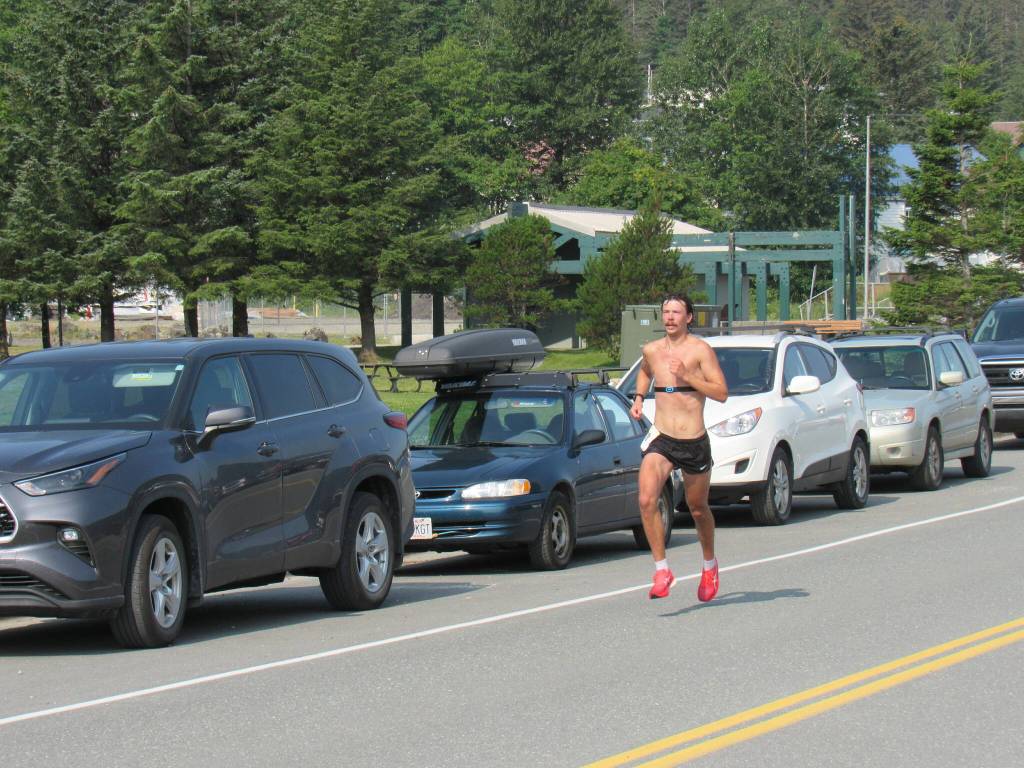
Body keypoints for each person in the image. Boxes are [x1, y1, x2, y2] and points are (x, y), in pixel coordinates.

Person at [629, 295, 728, 600]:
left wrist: (688, 377)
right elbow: (645, 370)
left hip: (694, 440)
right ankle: (662, 570)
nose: (670, 317)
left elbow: (722, 393)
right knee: (647, 500)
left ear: (689, 318)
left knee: (697, 508)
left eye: (676, 313)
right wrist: (639, 397)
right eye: (666, 312)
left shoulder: (700, 351)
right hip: (663, 437)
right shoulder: (652, 350)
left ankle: (709, 565)